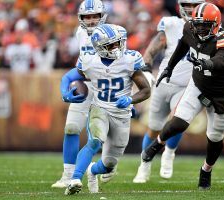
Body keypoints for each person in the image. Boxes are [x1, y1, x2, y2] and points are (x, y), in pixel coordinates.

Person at [141, 2, 224, 190]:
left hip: (221, 93)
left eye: (206, 25)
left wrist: (207, 64)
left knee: (215, 137)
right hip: (198, 85)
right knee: (179, 121)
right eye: (198, 25)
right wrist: (169, 68)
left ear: (216, 24)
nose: (201, 29)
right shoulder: (190, 27)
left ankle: (206, 170)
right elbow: (182, 45)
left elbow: (221, 61)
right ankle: (157, 145)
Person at [61, 23, 151, 195]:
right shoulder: (89, 61)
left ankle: (92, 171)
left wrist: (130, 99)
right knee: (95, 141)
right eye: (111, 44)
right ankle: (75, 179)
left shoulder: (130, 60)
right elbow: (68, 76)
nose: (117, 47)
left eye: (118, 42)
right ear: (99, 47)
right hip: (100, 108)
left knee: (109, 164)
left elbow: (146, 90)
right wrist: (65, 93)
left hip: (121, 114)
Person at [133, 0, 205, 183]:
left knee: (177, 120)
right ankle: (144, 164)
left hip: (186, 86)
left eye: (194, 5)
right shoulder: (172, 24)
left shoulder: (209, 28)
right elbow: (154, 47)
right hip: (163, 84)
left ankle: (169, 154)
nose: (189, 8)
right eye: (187, 4)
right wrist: (147, 65)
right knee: (153, 129)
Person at [51, 0, 107, 188]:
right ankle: (68, 175)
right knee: (71, 127)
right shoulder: (80, 32)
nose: (90, 21)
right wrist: (66, 90)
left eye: (94, 16)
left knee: (99, 137)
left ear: (102, 16)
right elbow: (81, 63)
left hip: (105, 87)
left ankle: (102, 167)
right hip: (85, 83)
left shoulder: (112, 33)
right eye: (87, 17)